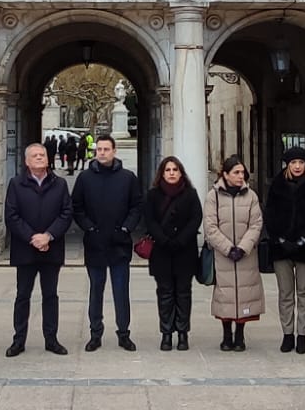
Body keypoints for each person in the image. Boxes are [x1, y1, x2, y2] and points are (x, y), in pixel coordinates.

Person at [71, 134, 143, 352]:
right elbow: (77, 207)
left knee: (121, 291)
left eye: (106, 149)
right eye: (99, 149)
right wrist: (89, 228)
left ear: (114, 151)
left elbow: (136, 206)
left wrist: (126, 228)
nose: (102, 153)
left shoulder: (128, 177)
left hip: (119, 244)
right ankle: (95, 333)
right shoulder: (84, 178)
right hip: (95, 244)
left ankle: (123, 333)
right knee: (96, 290)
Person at [3, 143, 73, 357]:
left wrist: (48, 235)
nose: (40, 158)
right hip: (26, 249)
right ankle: (19, 340)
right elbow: (11, 216)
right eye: (35, 155)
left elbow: (66, 213)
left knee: (50, 295)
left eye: (42, 154)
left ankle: (51, 339)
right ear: (27, 161)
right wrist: (32, 237)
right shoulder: (16, 184)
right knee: (23, 295)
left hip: (51, 248)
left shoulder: (59, 184)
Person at [263, 146, 305, 354]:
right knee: (286, 292)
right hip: (281, 247)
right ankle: (288, 333)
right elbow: (269, 215)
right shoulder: (276, 185)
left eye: (300, 162)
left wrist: (304, 239)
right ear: (287, 165)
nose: (297, 166)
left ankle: (302, 334)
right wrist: (280, 239)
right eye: (293, 163)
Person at [140, 155, 202, 352]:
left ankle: (183, 333)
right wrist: (164, 240)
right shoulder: (153, 195)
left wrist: (181, 240)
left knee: (183, 293)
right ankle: (166, 333)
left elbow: (196, 218)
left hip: (185, 251)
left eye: (175, 169)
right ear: (162, 173)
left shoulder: (190, 194)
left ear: (181, 172)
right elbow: (149, 221)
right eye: (168, 170)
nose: (172, 173)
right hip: (162, 251)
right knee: (165, 293)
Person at [203, 156, 264, 352]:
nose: (240, 176)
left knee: (244, 293)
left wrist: (243, 247)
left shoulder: (251, 196)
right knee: (225, 294)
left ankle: (240, 333)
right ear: (225, 174)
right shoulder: (213, 196)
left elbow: (256, 224)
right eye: (236, 172)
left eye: (242, 173)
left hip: (245, 254)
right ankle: (226, 333)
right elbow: (210, 226)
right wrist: (228, 248)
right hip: (224, 255)